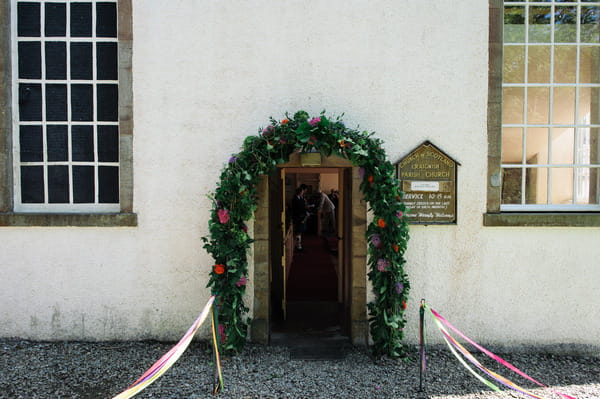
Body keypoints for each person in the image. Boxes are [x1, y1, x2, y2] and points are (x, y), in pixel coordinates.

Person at [292, 184, 309, 251]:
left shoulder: (301, 198)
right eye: (302, 192)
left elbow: (303, 206)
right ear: (299, 192)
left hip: (302, 216)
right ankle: (298, 246)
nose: (303, 193)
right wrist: (301, 217)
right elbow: (296, 209)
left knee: (300, 231)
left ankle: (299, 245)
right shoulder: (295, 199)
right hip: (298, 217)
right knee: (298, 231)